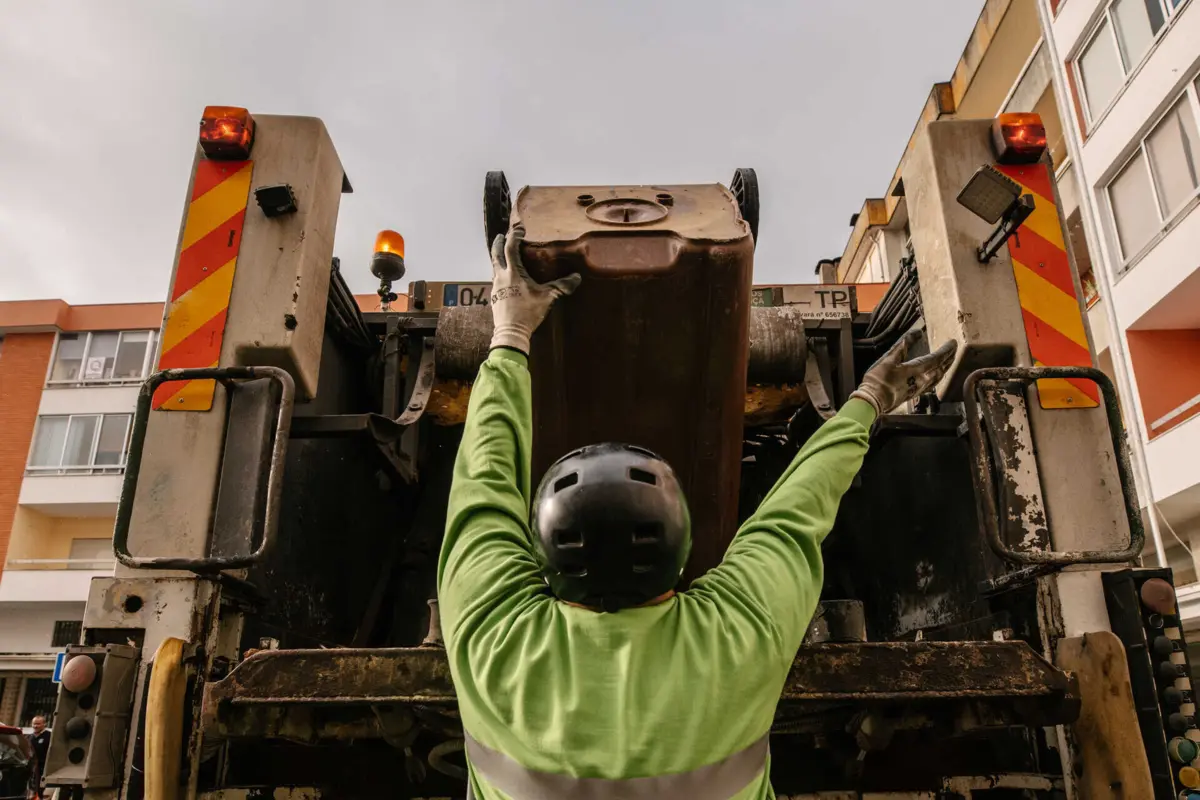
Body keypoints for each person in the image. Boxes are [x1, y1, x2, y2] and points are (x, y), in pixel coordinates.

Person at [437, 225, 958, 800]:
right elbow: (794, 513)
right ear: (684, 547)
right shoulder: (738, 638)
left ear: (541, 551)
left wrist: (510, 332)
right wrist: (869, 400)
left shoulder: (491, 641)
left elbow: (482, 481)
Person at [27, 716, 50, 799]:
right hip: (32, 767)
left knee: (40, 789)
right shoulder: (29, 737)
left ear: (44, 724)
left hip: (43, 767)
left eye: (38, 724)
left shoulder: (49, 736)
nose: (35, 726)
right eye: (34, 724)